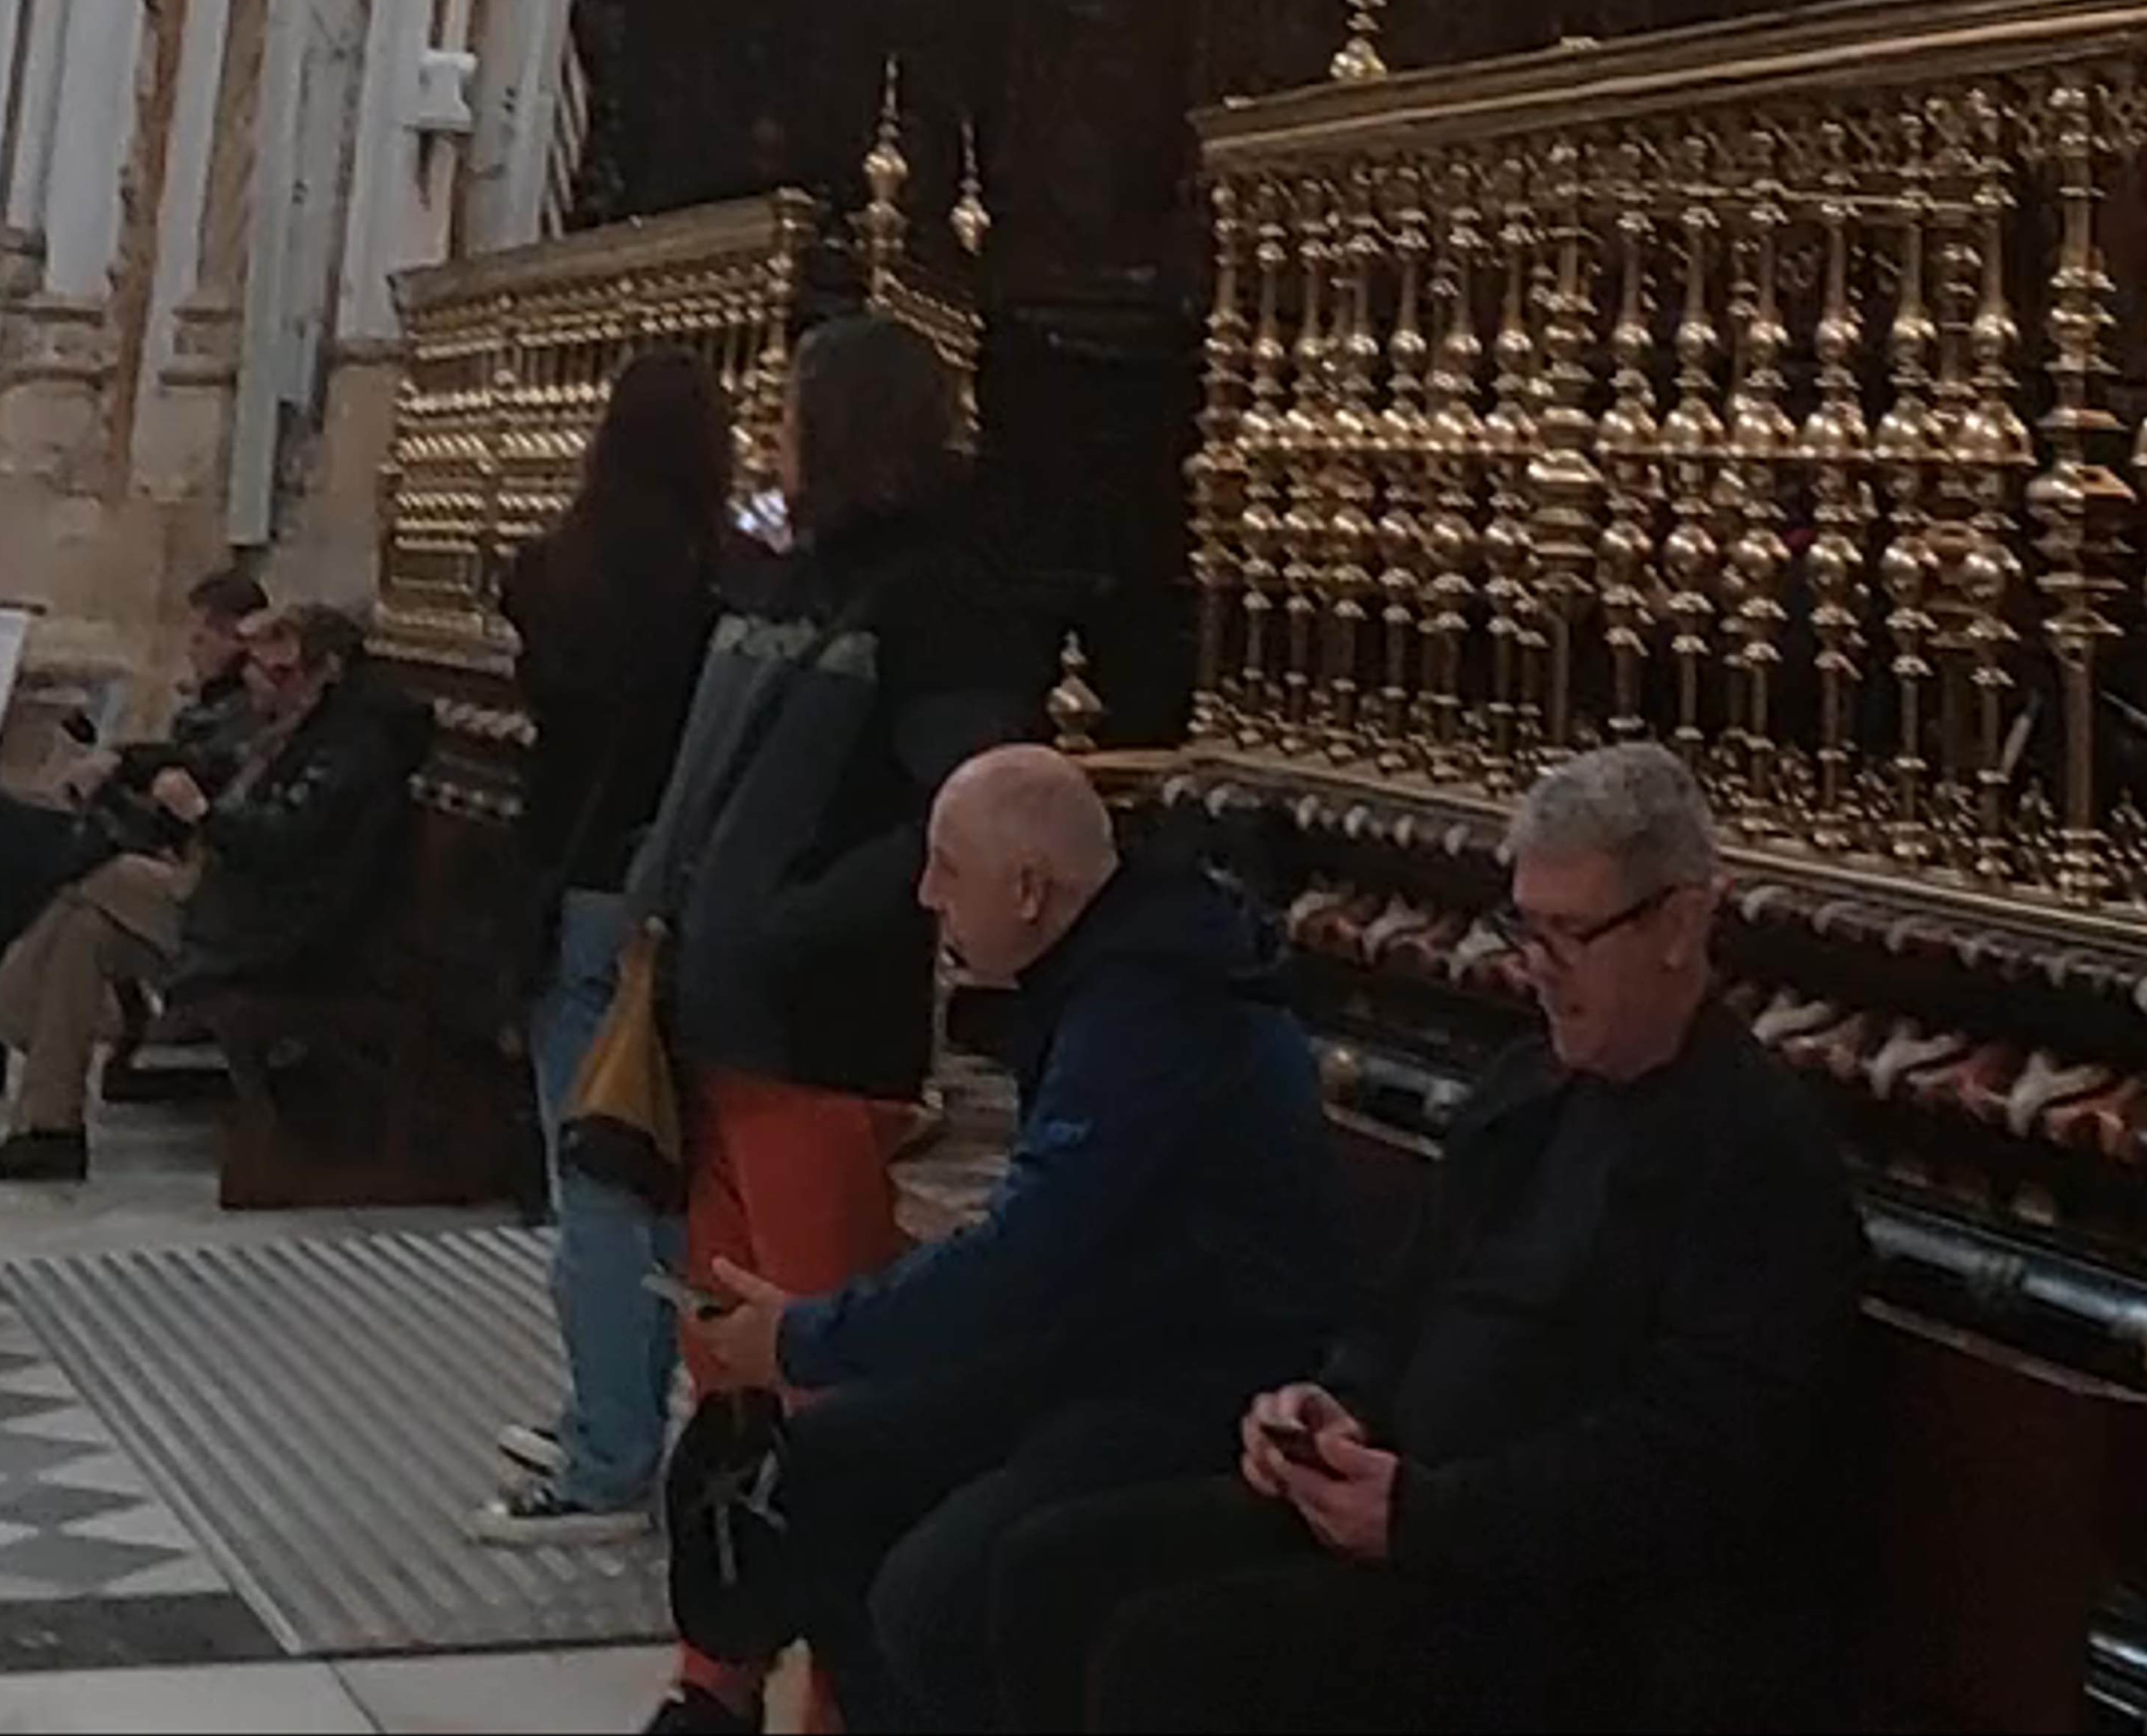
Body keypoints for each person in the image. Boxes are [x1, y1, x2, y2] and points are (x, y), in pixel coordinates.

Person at [989, 741, 1863, 1736]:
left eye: (1568, 933)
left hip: (1565, 1593)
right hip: (1410, 1510)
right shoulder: (1528, 1085)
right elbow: (1407, 1297)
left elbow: (1691, 1455)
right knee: (1049, 1569)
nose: (1536, 969)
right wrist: (1339, 1403)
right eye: (1523, 928)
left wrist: (1428, 1511)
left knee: (1174, 1653)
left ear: (1681, 920)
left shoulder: (1754, 1148)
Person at [676, 746, 1346, 1729]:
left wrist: (808, 1332)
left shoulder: (1153, 1003)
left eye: (948, 865)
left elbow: (1034, 1245)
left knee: (937, 1587)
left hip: (1200, 1368)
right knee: (812, 1466)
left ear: (1029, 887)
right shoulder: (1108, 969)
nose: (925, 892)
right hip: (1102, 1333)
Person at [627, 310, 1036, 1733]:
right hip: (716, 1025)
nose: (769, 435)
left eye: (791, 410)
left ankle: (843, 1694)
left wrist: (791, 913)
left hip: (821, 1036)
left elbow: (968, 800)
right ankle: (716, 1674)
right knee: (726, 1382)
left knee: (825, 1385)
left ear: (849, 423)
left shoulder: (939, 597)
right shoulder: (785, 576)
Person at [484, 345, 742, 1540]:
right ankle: (633, 1411)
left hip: (584, 884)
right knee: (673, 1172)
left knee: (594, 1175)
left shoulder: (556, 569)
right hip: (694, 895)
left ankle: (606, 1450)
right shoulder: (735, 578)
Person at [0, 600, 425, 1184]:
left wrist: (200, 813)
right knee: (88, 931)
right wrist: (121, 760)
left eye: (275, 670)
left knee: (106, 873)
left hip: (284, 934)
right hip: (236, 907)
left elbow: (283, 843)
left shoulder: (352, 750)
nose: (255, 680)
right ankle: (50, 1129)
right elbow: (204, 760)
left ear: (321, 672)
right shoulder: (289, 727)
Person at [0, 561, 270, 1140]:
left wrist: (124, 769)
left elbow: (200, 780)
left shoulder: (248, 713)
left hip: (155, 853)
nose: (193, 646)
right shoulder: (216, 703)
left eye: (206, 634)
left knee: (7, 870)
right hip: (136, 832)